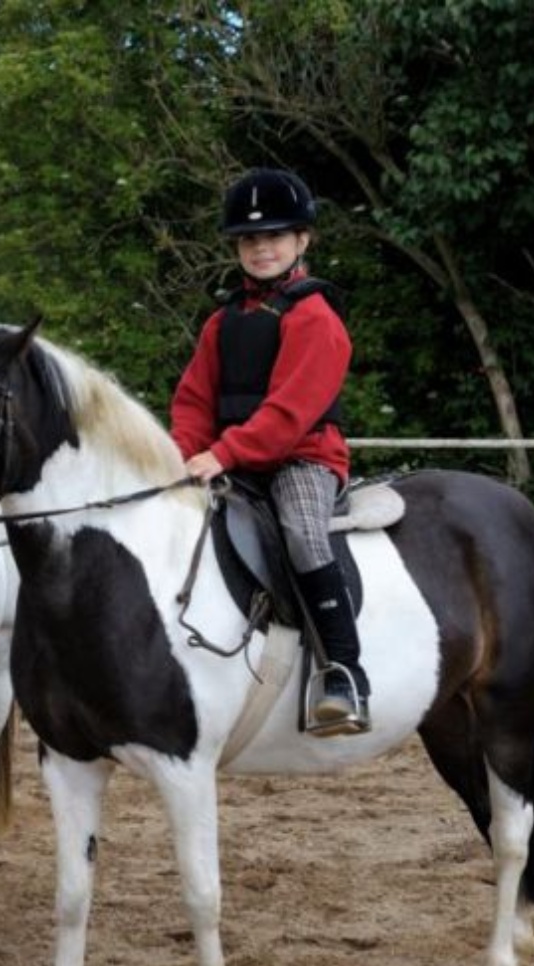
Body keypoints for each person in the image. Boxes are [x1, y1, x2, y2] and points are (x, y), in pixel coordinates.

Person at [169, 167, 369, 732]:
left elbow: (287, 415)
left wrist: (223, 454)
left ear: (302, 240)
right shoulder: (222, 322)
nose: (262, 248)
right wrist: (180, 455)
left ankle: (344, 673)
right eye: (251, 240)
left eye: (275, 236)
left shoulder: (316, 317)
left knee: (303, 533)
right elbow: (192, 401)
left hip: (300, 458)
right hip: (229, 458)